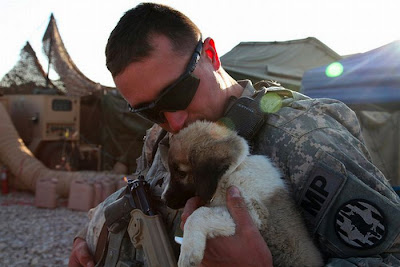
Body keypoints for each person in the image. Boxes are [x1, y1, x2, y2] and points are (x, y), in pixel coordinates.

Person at [69, 3, 400, 267]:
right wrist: (90, 241)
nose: (174, 119)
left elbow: (390, 256)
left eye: (179, 93)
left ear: (211, 55)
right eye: (149, 110)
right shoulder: (163, 138)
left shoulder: (306, 140)